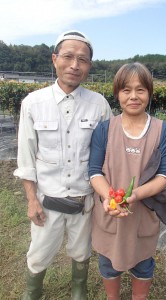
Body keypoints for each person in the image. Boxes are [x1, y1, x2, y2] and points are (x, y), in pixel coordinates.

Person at [13, 30, 112, 300]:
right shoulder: (34, 103)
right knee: (39, 252)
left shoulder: (99, 104)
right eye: (68, 56)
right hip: (47, 199)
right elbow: (26, 156)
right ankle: (33, 290)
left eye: (83, 59)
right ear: (54, 59)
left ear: (89, 66)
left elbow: (107, 155)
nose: (74, 65)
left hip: (84, 199)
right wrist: (32, 199)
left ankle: (78, 288)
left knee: (81, 250)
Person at [88, 62, 166, 300]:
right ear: (117, 93)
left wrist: (135, 195)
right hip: (110, 210)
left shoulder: (163, 130)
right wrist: (109, 197)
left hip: (143, 214)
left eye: (141, 90)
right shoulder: (105, 130)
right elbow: (95, 172)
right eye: (126, 90)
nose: (133, 96)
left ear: (149, 92)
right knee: (108, 262)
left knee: (143, 263)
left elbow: (165, 176)